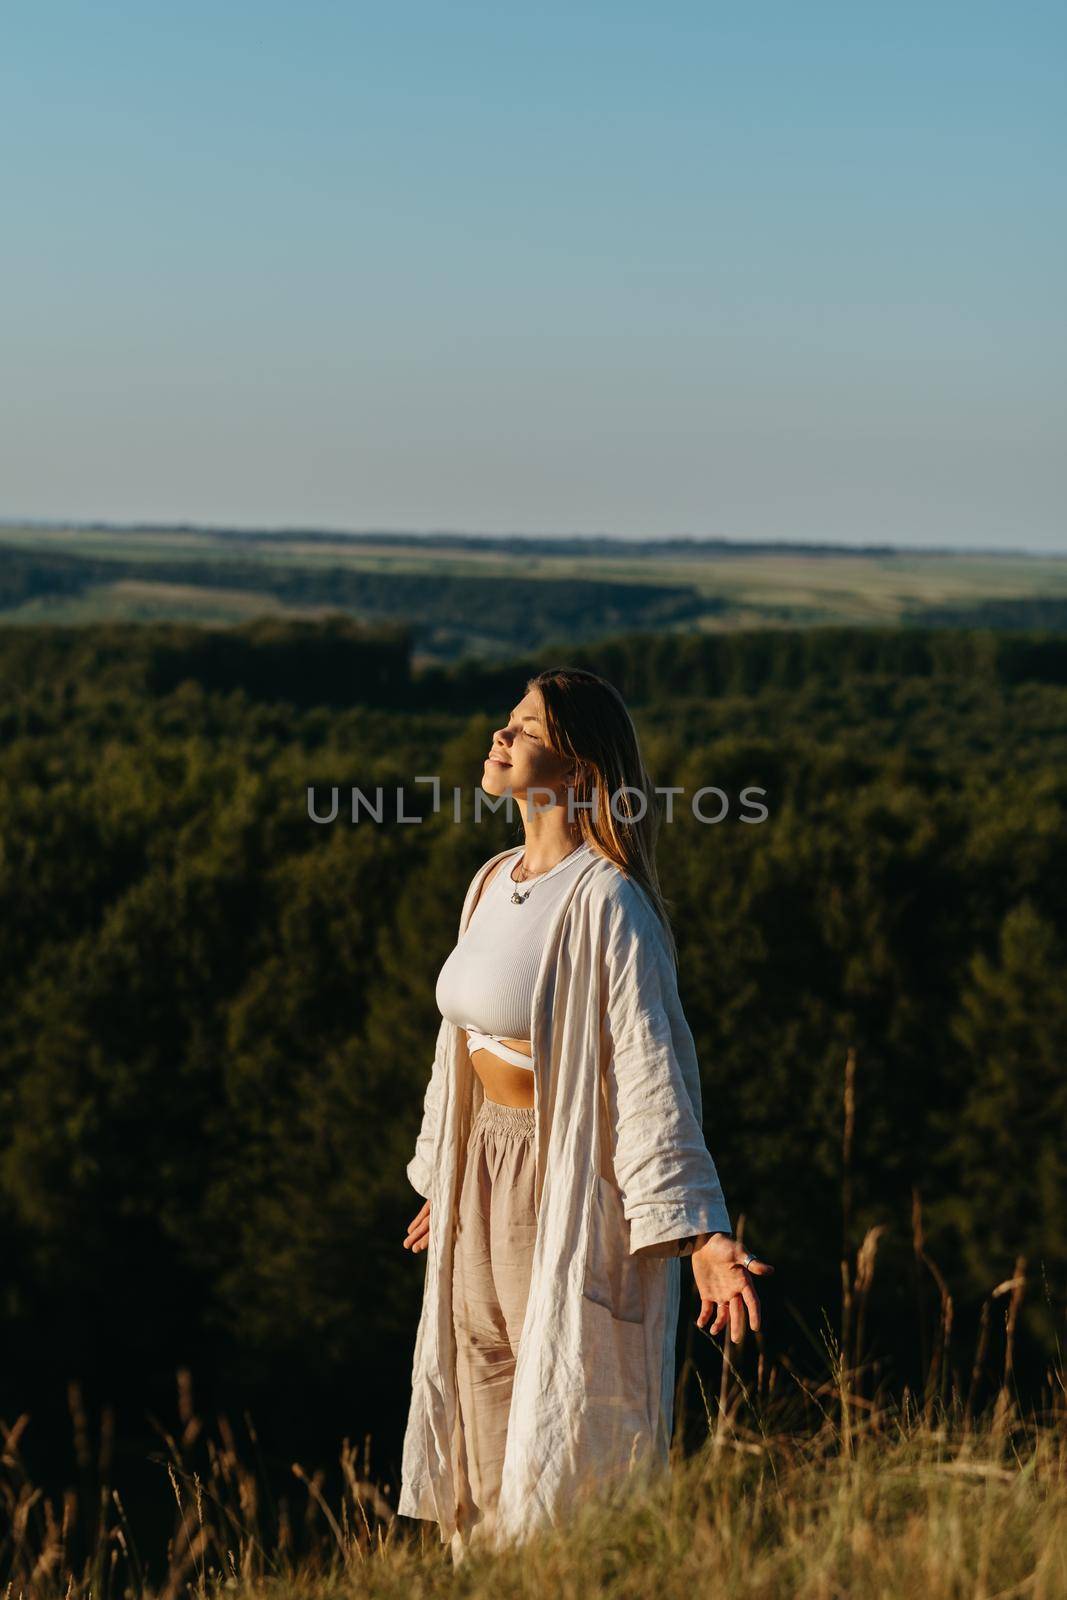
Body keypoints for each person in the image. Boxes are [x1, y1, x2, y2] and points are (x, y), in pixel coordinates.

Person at [399, 666, 773, 1561]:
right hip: (481, 1168)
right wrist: (445, 1172)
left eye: (523, 730)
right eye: (507, 723)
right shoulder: (490, 879)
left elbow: (652, 1074)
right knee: (480, 1377)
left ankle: (558, 1578)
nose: (499, 738)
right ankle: (482, 1580)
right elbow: (457, 1044)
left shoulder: (610, 903)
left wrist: (700, 1233)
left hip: (561, 1177)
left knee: (554, 1409)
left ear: (576, 769)